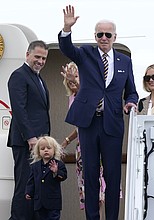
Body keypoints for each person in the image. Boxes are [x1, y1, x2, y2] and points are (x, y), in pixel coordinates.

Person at [58, 5, 139, 220]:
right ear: (95, 36)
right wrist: (67, 28)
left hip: (112, 124)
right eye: (100, 34)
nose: (104, 38)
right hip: (89, 123)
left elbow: (132, 92)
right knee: (91, 176)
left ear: (114, 36)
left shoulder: (125, 61)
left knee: (113, 177)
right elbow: (67, 49)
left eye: (107, 34)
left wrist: (130, 103)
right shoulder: (86, 53)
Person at [7, 40, 50, 220]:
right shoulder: (19, 75)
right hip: (26, 142)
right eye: (37, 57)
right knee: (24, 186)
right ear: (27, 54)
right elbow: (19, 109)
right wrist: (31, 137)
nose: (40, 61)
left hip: (39, 143)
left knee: (34, 188)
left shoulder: (38, 78)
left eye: (44, 58)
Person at [60, 62, 106, 218]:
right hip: (82, 148)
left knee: (99, 193)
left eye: (76, 78)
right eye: (70, 81)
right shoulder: (73, 97)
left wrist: (80, 86)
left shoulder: (92, 91)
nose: (72, 83)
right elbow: (81, 124)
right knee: (88, 193)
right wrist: (67, 141)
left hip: (97, 146)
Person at [25, 136, 67, 220]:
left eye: (49, 148)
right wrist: (28, 191)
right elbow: (31, 180)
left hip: (53, 202)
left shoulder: (59, 164)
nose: (46, 150)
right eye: (42, 148)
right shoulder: (34, 166)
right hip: (39, 202)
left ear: (54, 150)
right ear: (38, 151)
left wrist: (56, 171)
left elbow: (64, 176)